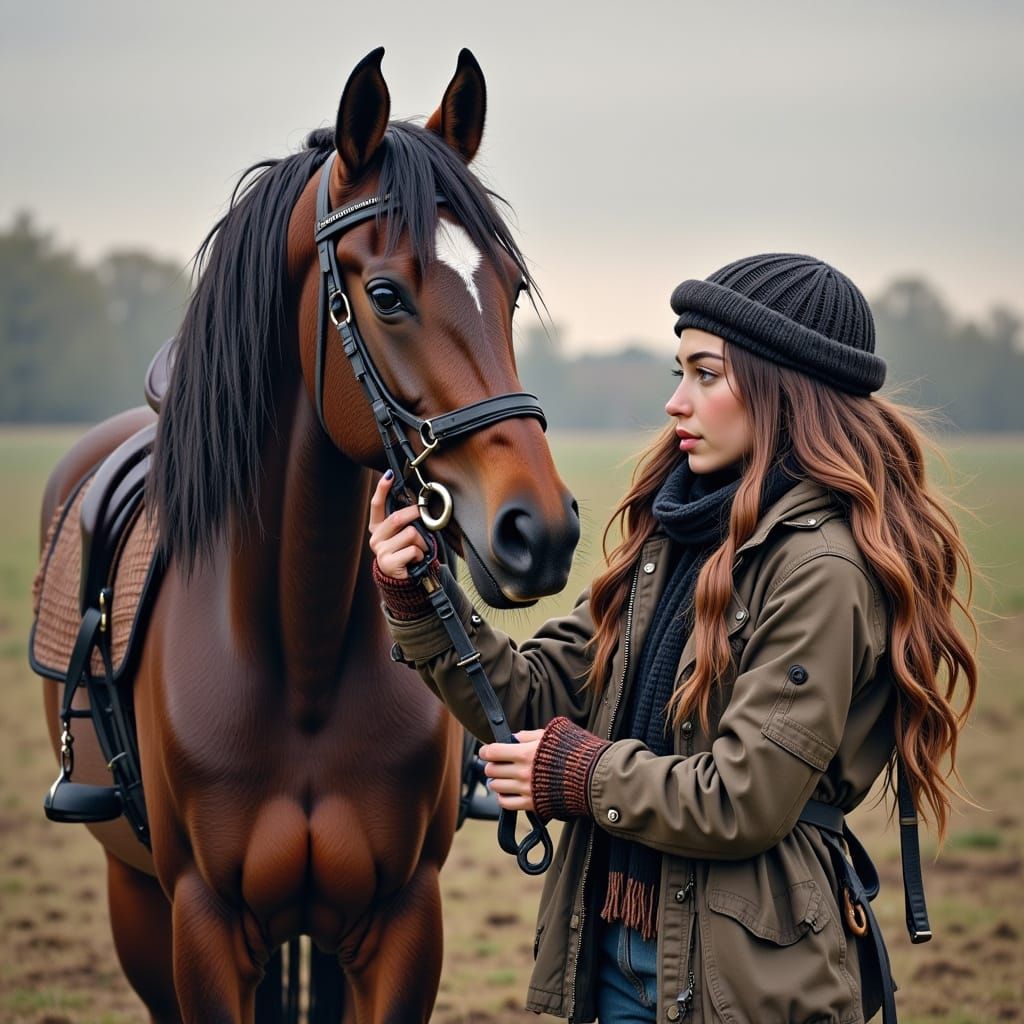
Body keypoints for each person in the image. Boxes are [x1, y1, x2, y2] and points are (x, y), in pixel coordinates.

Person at [368, 253, 978, 1023]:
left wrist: (580, 774)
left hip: (747, 980)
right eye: (677, 370)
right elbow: (531, 698)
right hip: (619, 954)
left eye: (705, 375)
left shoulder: (821, 566)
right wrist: (423, 597)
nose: (675, 403)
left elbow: (745, 797)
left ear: (783, 390)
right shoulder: (673, 535)